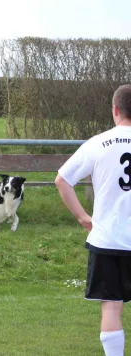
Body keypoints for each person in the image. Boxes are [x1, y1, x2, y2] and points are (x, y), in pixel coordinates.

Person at [56, 84, 131, 356]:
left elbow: (62, 180)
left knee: (112, 307)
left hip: (108, 240)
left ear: (115, 109)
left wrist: (82, 216)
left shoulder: (98, 142)